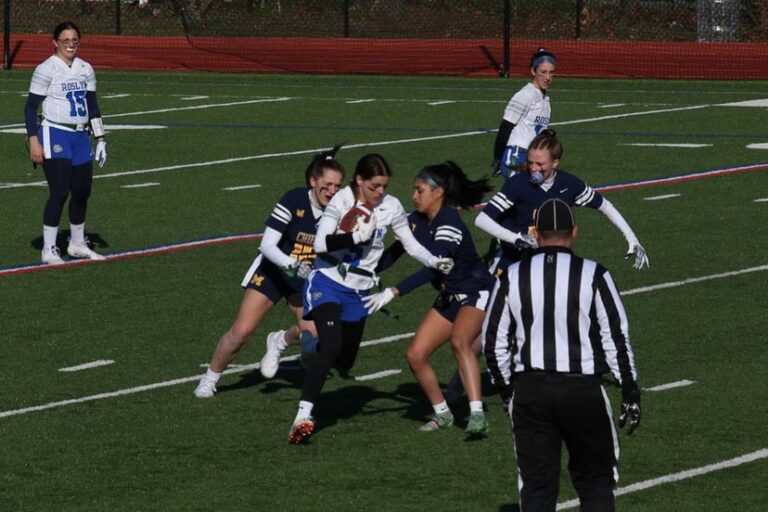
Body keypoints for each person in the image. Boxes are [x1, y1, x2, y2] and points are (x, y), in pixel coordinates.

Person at [483, 198, 641, 511]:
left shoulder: (511, 275)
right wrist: (629, 389)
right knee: (596, 481)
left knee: (537, 487)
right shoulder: (594, 274)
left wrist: (506, 392)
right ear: (575, 232)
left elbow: (493, 341)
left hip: (530, 390)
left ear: (535, 233)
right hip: (582, 390)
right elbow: (616, 337)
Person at [288, 153, 454, 444]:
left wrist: (433, 260)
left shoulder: (390, 207)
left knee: (344, 360)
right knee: (331, 346)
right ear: (359, 181)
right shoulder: (341, 200)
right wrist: (353, 238)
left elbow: (410, 244)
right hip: (328, 279)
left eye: (384, 186)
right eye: (374, 186)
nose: (380, 193)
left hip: (359, 290)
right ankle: (303, 416)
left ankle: (308, 345)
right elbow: (320, 242)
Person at [193, 148, 345, 398]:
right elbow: (267, 245)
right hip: (274, 271)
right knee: (242, 331)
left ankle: (280, 340)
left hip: (304, 280)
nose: (332, 191)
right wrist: (292, 264)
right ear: (313, 181)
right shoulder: (294, 200)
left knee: (314, 333)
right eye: (327, 184)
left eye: (337, 186)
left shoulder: (339, 210)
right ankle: (210, 378)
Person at [365, 161, 494, 435]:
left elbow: (433, 266)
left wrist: (393, 292)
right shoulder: (416, 221)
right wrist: (363, 272)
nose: (413, 196)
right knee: (415, 355)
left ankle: (477, 414)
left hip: (476, 293)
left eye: (419, 190)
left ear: (438, 192)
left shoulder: (449, 223)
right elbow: (393, 253)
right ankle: (443, 414)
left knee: (460, 341)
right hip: (450, 296)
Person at [476, 129, 649, 278]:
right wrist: (516, 239)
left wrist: (632, 240)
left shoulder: (570, 185)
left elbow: (605, 206)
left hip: (550, 265)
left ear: (555, 162)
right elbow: (482, 219)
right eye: (530, 163)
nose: (533, 169)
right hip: (512, 262)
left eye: (540, 164)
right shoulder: (517, 185)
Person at [24, 21, 108, 264]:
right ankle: (49, 248)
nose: (70, 44)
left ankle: (77, 243)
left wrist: (101, 137)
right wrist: (33, 140)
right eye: (65, 40)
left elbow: (92, 105)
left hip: (81, 136)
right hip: (55, 132)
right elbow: (30, 107)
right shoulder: (46, 69)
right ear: (55, 42)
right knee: (60, 191)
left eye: (75, 40)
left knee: (82, 191)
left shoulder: (85, 68)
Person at [492, 48, 555, 179]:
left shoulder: (544, 99)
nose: (548, 77)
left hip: (533, 158)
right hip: (516, 155)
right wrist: (498, 157)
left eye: (551, 73)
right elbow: (506, 126)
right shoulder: (526, 94)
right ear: (533, 71)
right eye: (543, 72)